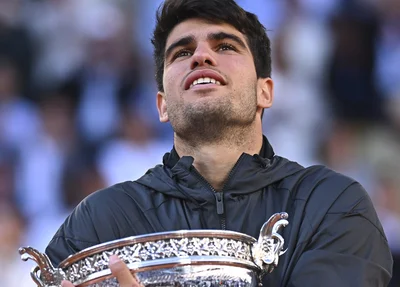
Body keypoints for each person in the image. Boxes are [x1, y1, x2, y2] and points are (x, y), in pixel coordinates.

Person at [50, 0, 393, 286]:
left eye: (225, 46)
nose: (201, 56)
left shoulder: (329, 205)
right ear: (162, 104)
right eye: (181, 53)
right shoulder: (101, 222)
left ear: (266, 91)